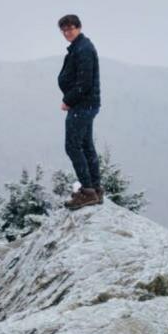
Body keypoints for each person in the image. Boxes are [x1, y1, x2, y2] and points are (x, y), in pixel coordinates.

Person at [57, 14, 103, 209]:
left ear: (79, 27)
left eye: (71, 28)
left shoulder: (83, 49)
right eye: (64, 30)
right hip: (85, 105)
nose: (68, 33)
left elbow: (84, 83)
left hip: (82, 105)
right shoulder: (79, 47)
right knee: (85, 145)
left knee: (73, 146)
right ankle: (95, 189)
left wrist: (68, 100)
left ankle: (88, 191)